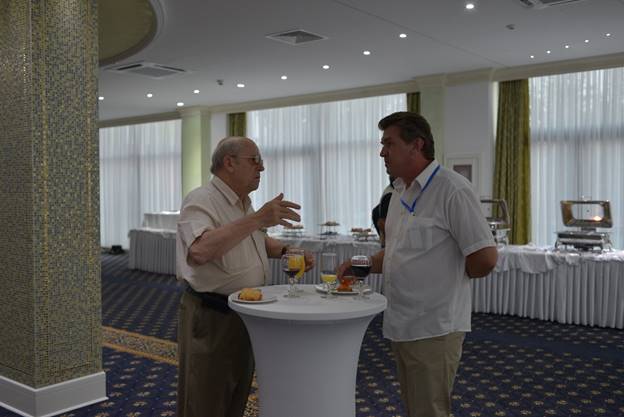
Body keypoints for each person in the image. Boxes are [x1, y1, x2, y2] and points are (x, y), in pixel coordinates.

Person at [338, 112, 497, 417]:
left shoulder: (453, 189)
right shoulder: (399, 192)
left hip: (434, 326)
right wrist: (364, 264)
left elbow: (485, 258)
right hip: (402, 322)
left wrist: (447, 278)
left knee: (430, 410)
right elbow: (396, 252)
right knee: (416, 408)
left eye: (389, 143)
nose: (382, 152)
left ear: (416, 145)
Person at [176, 136, 314, 417]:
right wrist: (257, 219)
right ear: (229, 163)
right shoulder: (202, 199)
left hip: (245, 312)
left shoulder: (242, 204)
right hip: (213, 315)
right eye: (255, 161)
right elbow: (200, 250)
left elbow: (255, 241)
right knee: (206, 399)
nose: (261, 168)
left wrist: (287, 250)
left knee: (235, 394)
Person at [371, 176, 394, 247]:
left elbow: (375, 211)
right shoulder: (390, 194)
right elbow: (382, 222)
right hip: (391, 243)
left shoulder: (390, 191)